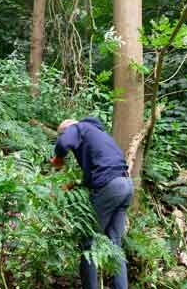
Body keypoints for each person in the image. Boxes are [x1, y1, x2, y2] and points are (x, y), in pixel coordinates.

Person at [50, 118, 133, 289]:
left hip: (110, 187)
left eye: (62, 133)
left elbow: (64, 143)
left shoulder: (78, 128)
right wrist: (75, 184)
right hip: (126, 185)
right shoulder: (100, 134)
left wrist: (58, 158)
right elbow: (100, 171)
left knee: (88, 243)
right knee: (114, 244)